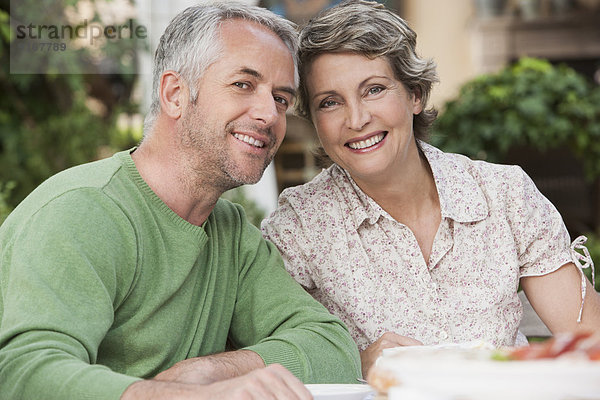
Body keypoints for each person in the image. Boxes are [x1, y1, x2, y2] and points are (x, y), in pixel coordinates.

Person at [0, 3, 362, 399]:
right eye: (243, 84)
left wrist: (208, 372)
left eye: (280, 98)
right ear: (174, 94)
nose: (268, 114)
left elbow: (332, 347)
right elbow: (25, 375)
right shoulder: (84, 210)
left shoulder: (231, 234)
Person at [261, 0, 600, 378]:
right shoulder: (299, 227)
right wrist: (357, 361)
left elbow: (591, 342)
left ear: (415, 95)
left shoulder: (504, 196)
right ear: (315, 121)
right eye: (330, 102)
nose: (356, 119)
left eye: (374, 90)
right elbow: (268, 360)